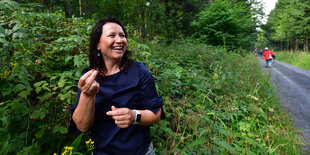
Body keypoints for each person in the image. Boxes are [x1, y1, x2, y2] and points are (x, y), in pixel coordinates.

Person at [69, 17, 164, 155]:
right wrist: (87, 94)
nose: (119, 40)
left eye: (122, 35)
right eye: (112, 35)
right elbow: (82, 126)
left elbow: (156, 113)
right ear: (97, 44)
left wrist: (134, 116)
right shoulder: (89, 77)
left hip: (139, 151)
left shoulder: (139, 71)